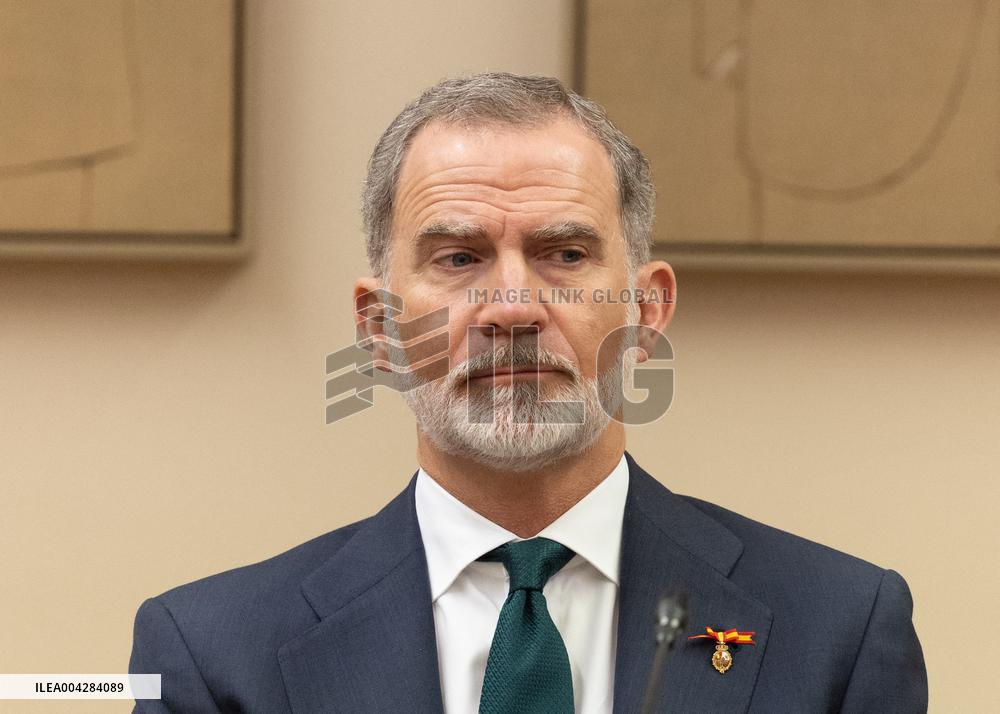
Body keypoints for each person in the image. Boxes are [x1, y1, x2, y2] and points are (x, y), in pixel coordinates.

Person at [129, 72, 927, 713]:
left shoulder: (840, 631)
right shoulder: (214, 656)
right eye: (457, 259)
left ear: (647, 310)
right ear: (378, 328)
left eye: (565, 254)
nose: (511, 308)